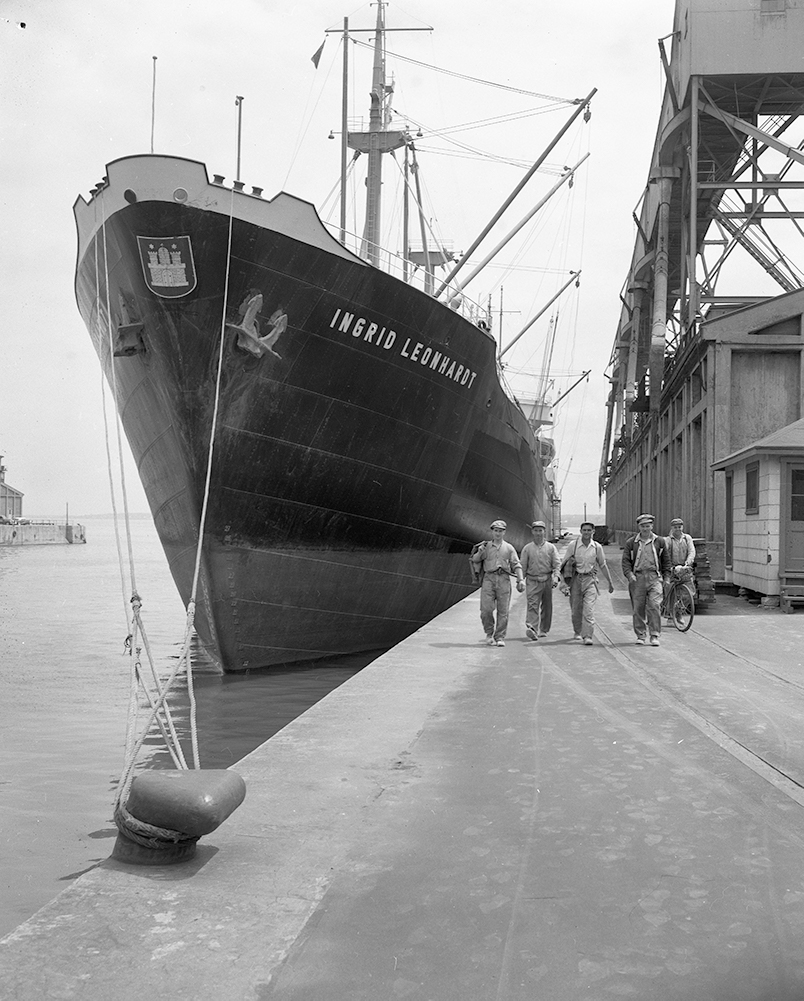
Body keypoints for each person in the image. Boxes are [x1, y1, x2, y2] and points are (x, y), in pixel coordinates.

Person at [559, 521, 614, 646]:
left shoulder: (597, 547)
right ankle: (577, 631)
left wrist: (610, 582)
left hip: (590, 580)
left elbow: (602, 565)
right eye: (584, 530)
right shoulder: (573, 546)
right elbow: (564, 564)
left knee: (588, 609)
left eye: (589, 530)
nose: (587, 532)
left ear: (593, 532)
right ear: (580, 531)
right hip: (575, 580)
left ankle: (588, 635)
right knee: (576, 609)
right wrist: (563, 582)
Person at [471, 519, 525, 647]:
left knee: (503, 611)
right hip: (489, 578)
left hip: (504, 579)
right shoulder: (486, 547)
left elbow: (516, 565)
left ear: (504, 532)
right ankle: (489, 633)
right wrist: (479, 552)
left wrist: (521, 579)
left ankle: (499, 637)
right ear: (492, 532)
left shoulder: (509, 548)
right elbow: (475, 559)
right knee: (486, 609)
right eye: (496, 531)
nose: (498, 533)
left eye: (500, 531)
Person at [622, 513, 671, 646]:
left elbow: (666, 561)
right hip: (637, 578)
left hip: (654, 577)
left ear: (652, 526)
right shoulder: (631, 543)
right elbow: (626, 561)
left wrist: (666, 577)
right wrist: (629, 575)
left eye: (648, 526)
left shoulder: (659, 542)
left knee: (654, 605)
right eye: (643, 526)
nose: (645, 528)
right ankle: (641, 635)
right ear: (639, 527)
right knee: (638, 608)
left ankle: (654, 635)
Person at [520, 520, 560, 640]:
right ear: (532, 532)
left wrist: (556, 577)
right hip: (532, 580)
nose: (538, 533)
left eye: (540, 530)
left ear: (544, 531)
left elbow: (557, 564)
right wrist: (520, 580)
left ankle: (544, 629)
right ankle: (532, 628)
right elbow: (522, 566)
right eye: (536, 530)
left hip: (547, 580)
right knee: (532, 604)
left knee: (547, 606)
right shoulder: (527, 549)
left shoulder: (551, 548)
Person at [664, 517, 697, 617]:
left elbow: (692, 551)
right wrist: (670, 567)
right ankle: (670, 614)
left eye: (679, 527)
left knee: (689, 592)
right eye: (675, 527)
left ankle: (678, 610)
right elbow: (665, 555)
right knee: (670, 591)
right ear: (672, 528)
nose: (678, 529)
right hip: (672, 569)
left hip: (684, 568)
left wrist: (688, 562)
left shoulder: (687, 538)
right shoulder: (668, 540)